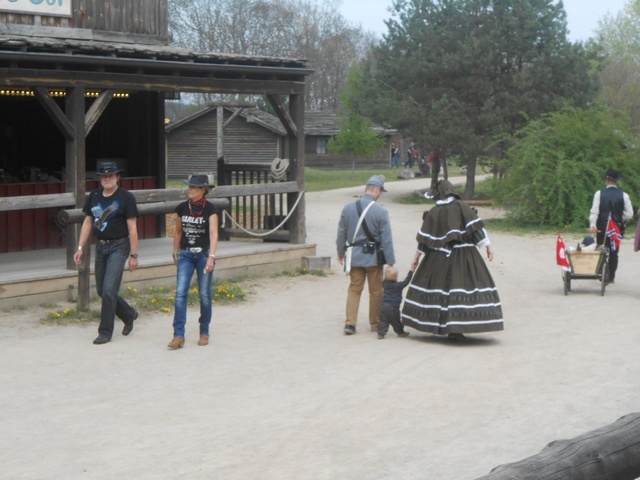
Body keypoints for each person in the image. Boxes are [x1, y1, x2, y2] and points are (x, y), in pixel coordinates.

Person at [401, 180, 503, 341]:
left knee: (439, 290)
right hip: (465, 255)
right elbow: (475, 229)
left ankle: (439, 325)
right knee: (462, 288)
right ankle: (457, 329)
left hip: (438, 257)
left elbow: (425, 240)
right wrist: (487, 246)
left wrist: (416, 258)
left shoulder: (435, 211)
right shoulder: (462, 206)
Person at [74, 161, 139, 345]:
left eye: (111, 175)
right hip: (100, 246)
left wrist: (134, 255)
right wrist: (80, 247)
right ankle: (129, 314)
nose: (107, 179)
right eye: (103, 176)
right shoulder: (94, 196)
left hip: (119, 246)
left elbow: (132, 227)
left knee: (110, 290)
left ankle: (105, 332)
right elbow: (88, 222)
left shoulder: (126, 197)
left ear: (117, 177)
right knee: (103, 291)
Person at [337, 175, 396, 335]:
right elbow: (387, 239)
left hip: (355, 257)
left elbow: (341, 233)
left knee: (354, 289)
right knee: (376, 291)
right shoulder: (381, 211)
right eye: (380, 192)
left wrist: (341, 252)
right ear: (376, 190)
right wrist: (390, 261)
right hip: (373, 258)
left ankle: (350, 323)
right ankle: (375, 323)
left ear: (366, 189)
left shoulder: (348, 208)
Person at [168, 174, 219, 350]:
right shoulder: (182, 208)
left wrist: (211, 256)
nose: (190, 189)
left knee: (204, 295)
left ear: (203, 190)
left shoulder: (210, 209)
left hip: (204, 254)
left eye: (194, 187)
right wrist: (175, 253)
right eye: (189, 186)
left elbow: (213, 234)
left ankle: (204, 331)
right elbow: (178, 232)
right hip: (186, 255)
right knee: (180, 293)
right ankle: (178, 335)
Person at [589, 169, 633, 284]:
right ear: (616, 181)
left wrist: (593, 224)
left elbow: (595, 211)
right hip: (616, 228)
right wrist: (620, 219)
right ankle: (611, 276)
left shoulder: (599, 193)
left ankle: (601, 272)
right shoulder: (624, 195)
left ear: (607, 180)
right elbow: (629, 214)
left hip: (602, 226)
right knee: (614, 252)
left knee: (601, 248)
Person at [378, 265, 413, 340]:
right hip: (393, 308)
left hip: (383, 306)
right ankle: (400, 332)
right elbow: (406, 282)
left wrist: (387, 271)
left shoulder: (385, 284)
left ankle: (381, 333)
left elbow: (386, 277)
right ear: (396, 277)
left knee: (383, 320)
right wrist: (411, 272)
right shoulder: (398, 286)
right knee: (396, 321)